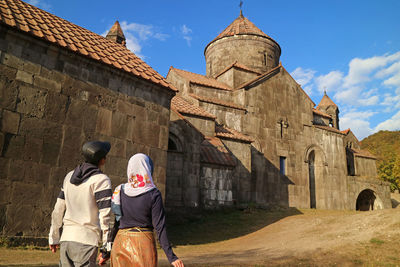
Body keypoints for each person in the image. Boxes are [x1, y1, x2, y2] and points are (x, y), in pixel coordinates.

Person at [108, 153, 184, 267]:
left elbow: (116, 223)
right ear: (147, 168)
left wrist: (106, 251)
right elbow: (160, 227)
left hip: (120, 242)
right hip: (143, 244)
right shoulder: (153, 194)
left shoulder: (119, 191)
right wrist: (171, 256)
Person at [49, 141, 113, 267]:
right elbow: (106, 216)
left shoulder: (69, 176)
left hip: (66, 239)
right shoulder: (101, 180)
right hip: (87, 242)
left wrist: (53, 236)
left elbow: (58, 209)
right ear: (102, 160)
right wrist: (106, 248)